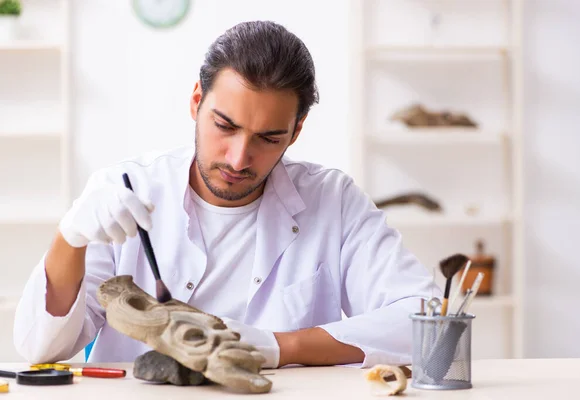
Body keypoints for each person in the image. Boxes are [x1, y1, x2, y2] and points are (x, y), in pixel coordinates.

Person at [13, 20, 439, 369]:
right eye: (225, 126)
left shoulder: (334, 200)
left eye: (269, 138)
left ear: (296, 132)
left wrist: (278, 347)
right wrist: (69, 238)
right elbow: (40, 349)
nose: (239, 158)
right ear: (197, 102)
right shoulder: (124, 192)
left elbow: (427, 324)